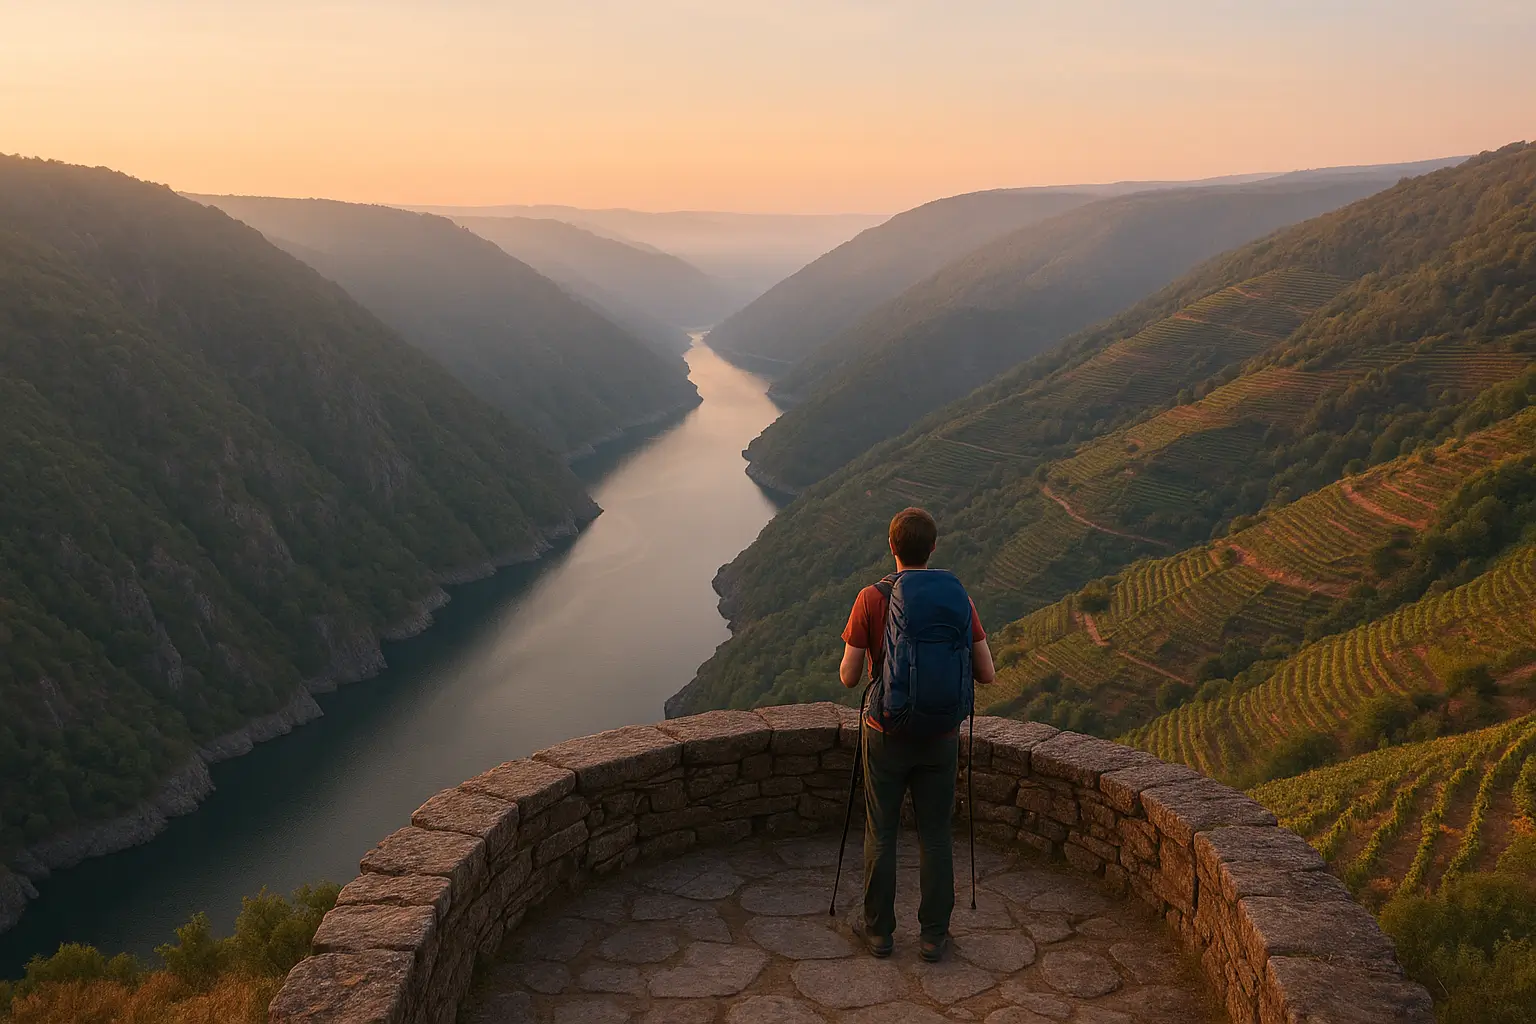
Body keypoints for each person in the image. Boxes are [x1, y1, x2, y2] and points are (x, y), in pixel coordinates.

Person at [838, 506, 996, 962]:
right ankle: (933, 936)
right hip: (941, 736)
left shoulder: (871, 598)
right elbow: (986, 672)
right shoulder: (958, 599)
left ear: (892, 548)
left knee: (882, 831)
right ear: (933, 548)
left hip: (884, 733)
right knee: (936, 834)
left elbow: (849, 677)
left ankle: (879, 934)